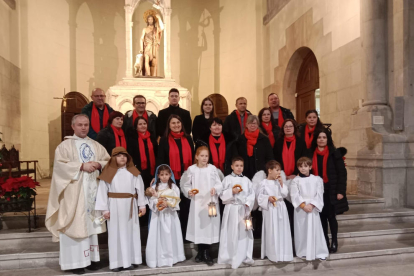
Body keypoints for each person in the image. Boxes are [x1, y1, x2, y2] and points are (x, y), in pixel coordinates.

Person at [45, 114, 110, 274]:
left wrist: (98, 164)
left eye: (86, 125)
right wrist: (80, 166)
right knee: (75, 225)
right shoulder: (65, 146)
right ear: (73, 127)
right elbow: (59, 167)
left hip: (92, 194)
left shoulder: (96, 145)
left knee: (91, 226)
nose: (83, 127)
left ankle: (91, 260)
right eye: (80, 125)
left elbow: (108, 161)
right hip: (74, 194)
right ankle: (75, 263)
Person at [95, 147, 147, 272]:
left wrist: (142, 205)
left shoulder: (133, 172)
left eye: (124, 155)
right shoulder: (108, 173)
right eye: (118, 155)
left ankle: (131, 260)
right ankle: (116, 262)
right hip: (114, 206)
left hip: (130, 206)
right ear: (113, 158)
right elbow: (102, 191)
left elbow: (140, 189)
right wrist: (104, 209)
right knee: (115, 233)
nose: (122, 157)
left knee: (131, 232)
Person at [181, 146, 223, 266]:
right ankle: (200, 252)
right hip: (197, 202)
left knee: (208, 226)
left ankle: (206, 252)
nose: (204, 158)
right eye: (202, 156)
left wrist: (215, 189)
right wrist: (189, 191)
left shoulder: (212, 169)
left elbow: (219, 184)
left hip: (210, 201)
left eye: (206, 156)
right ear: (196, 156)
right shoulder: (192, 169)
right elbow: (185, 185)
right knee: (199, 226)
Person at [310, 128, 348, 253]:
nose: (321, 140)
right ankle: (325, 241)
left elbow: (342, 173)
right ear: (316, 140)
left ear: (328, 139)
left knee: (331, 217)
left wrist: (341, 191)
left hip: (331, 190)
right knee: (321, 217)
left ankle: (334, 241)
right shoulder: (310, 154)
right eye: (319, 137)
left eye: (324, 137)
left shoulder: (334, 153)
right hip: (317, 192)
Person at [157, 114, 194, 239]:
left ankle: (186, 234)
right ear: (169, 125)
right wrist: (159, 176)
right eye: (173, 123)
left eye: (178, 122)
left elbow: (193, 158)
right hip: (171, 178)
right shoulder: (164, 139)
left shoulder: (188, 138)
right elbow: (161, 160)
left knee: (186, 206)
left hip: (187, 178)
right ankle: (174, 235)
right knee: (173, 205)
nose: (176, 125)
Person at [273, 119, 307, 244]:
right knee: (285, 210)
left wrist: (296, 174)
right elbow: (275, 160)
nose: (288, 128)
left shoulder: (300, 142)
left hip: (296, 178)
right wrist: (281, 174)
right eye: (286, 127)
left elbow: (304, 159)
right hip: (281, 179)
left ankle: (296, 239)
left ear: (294, 128)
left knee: (295, 210)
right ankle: (286, 239)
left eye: (290, 126)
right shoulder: (278, 143)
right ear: (283, 129)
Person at [217, 156, 255, 269]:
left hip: (243, 209)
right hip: (231, 208)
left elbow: (251, 194)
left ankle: (244, 255)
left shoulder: (246, 180)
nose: (239, 168)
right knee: (230, 232)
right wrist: (231, 192)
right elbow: (221, 194)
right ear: (232, 166)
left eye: (241, 166)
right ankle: (229, 256)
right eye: (237, 166)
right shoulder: (227, 179)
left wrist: (248, 203)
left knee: (244, 232)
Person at [146, 165, 186, 268]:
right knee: (159, 237)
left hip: (170, 215)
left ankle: (173, 257)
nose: (164, 177)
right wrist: (158, 202)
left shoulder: (174, 187)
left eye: (166, 174)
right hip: (158, 216)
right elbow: (151, 201)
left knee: (170, 235)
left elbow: (176, 200)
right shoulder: (154, 187)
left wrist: (167, 203)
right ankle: (160, 258)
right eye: (162, 175)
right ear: (158, 175)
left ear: (170, 175)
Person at [290, 157, 329, 261]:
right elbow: (294, 195)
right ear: (298, 168)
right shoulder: (296, 181)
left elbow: (319, 194)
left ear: (310, 167)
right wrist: (303, 206)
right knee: (301, 230)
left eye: (305, 166)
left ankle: (318, 251)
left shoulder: (317, 179)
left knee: (315, 229)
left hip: (313, 207)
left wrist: (312, 205)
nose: (303, 168)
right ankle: (303, 251)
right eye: (300, 166)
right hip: (301, 209)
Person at [257, 160, 293, 263]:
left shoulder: (279, 183)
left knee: (282, 229)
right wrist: (268, 198)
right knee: (272, 230)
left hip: (281, 208)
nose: (279, 172)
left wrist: (282, 184)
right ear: (269, 170)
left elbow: (285, 194)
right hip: (270, 209)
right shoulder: (263, 183)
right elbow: (259, 197)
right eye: (277, 170)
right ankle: (272, 253)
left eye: (280, 170)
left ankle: (283, 253)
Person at [231, 115, 274, 179]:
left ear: (257, 125)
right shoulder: (240, 140)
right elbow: (236, 156)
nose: (252, 125)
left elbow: (269, 157)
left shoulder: (264, 139)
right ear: (246, 125)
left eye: (254, 123)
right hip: (244, 172)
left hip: (260, 172)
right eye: (250, 123)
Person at [127, 116, 158, 187]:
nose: (143, 126)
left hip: (151, 169)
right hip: (138, 169)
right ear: (136, 126)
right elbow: (130, 154)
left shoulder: (152, 137)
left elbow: (156, 152)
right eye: (140, 124)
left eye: (144, 123)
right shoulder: (132, 137)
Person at [139, 10, 164, 76]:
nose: (150, 20)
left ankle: (152, 77)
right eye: (149, 19)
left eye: (151, 19)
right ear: (147, 21)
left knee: (153, 63)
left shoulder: (156, 29)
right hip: (147, 47)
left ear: (153, 20)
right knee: (146, 61)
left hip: (154, 47)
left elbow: (162, 27)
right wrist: (141, 48)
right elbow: (141, 39)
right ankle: (148, 75)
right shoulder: (145, 29)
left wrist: (159, 18)